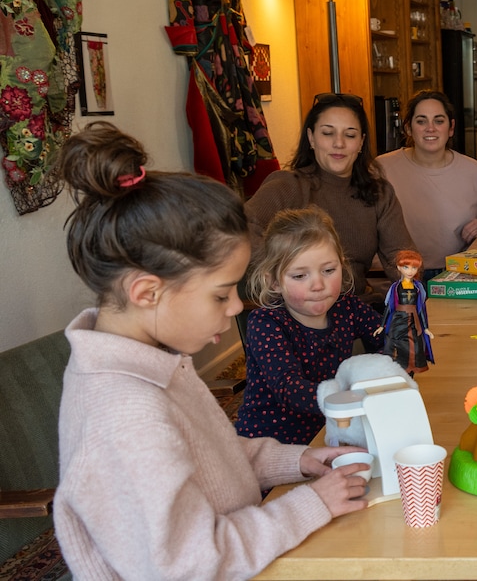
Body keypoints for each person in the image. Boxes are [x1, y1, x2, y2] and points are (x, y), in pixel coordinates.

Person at [53, 122, 368, 579]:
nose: (237, 306)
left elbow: (206, 458)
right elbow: (190, 564)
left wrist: (293, 460)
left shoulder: (150, 364)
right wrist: (312, 504)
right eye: (221, 295)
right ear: (147, 292)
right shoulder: (123, 414)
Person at [236, 207, 386, 444]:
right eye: (299, 276)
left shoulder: (347, 307)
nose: (318, 285)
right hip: (270, 444)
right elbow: (288, 388)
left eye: (328, 271)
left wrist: (382, 372)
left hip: (328, 432)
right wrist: (353, 396)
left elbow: (387, 339)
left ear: (342, 265)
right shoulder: (266, 324)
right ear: (273, 281)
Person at [245, 93, 416, 300]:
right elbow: (239, 229)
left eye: (350, 135)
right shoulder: (288, 185)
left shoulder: (379, 193)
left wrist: (410, 272)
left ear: (361, 143)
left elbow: (400, 255)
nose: (339, 143)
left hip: (357, 310)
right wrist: (287, 270)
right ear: (311, 138)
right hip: (298, 313)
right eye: (328, 133)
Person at [378, 91, 477, 273]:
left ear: (451, 127)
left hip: (456, 274)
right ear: (408, 128)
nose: (430, 128)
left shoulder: (473, 171)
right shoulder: (381, 168)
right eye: (421, 121)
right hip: (395, 279)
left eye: (439, 120)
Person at [377, 250, 433, 375]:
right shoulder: (395, 287)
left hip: (414, 321)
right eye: (406, 267)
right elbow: (389, 307)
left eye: (414, 268)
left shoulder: (418, 288)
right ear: (399, 267)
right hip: (398, 320)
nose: (410, 271)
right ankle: (399, 372)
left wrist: (426, 328)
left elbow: (421, 309)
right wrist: (382, 325)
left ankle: (411, 372)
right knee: (397, 345)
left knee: (415, 347)